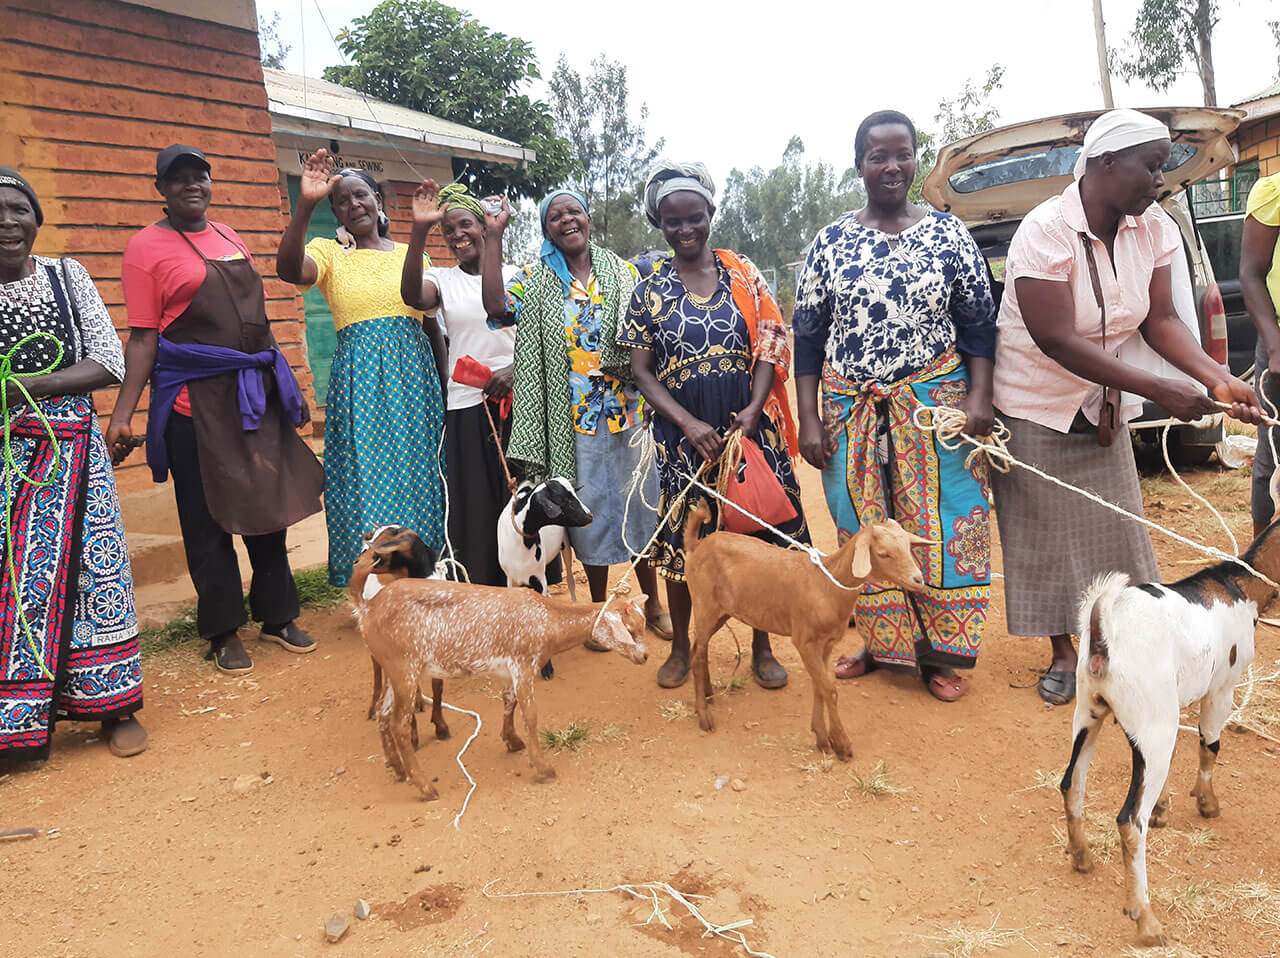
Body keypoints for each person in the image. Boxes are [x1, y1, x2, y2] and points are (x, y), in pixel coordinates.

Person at [989, 109, 1261, 705]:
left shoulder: (1155, 226)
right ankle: (1066, 653)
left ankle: (1115, 645)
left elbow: (1161, 318)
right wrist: (1162, 389)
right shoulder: (1044, 231)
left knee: (1116, 530)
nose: (1159, 181)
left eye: (1162, 168)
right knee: (1044, 535)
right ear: (1105, 164)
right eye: (1151, 166)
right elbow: (1057, 339)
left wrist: (1216, 379)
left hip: (1102, 400)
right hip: (1034, 402)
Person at [793, 111, 997, 703]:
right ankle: (883, 646)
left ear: (915, 158)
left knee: (947, 524)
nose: (891, 166)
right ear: (859, 165)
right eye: (877, 156)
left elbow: (979, 325)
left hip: (936, 406)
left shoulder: (947, 235)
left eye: (902, 154)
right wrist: (809, 417)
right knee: (861, 528)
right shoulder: (830, 242)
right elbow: (807, 336)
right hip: (850, 408)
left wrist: (980, 396)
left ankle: (938, 655)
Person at [111, 145, 324, 675]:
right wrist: (122, 414)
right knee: (206, 520)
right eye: (178, 178)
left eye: (199, 176)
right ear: (161, 189)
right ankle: (223, 630)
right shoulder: (145, 247)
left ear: (210, 183)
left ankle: (277, 616)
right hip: (192, 402)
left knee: (265, 505)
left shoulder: (228, 235)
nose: (191, 185)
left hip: (252, 395)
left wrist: (285, 384)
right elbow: (143, 337)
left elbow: (257, 323)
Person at [621, 160, 808, 689]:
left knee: (759, 542)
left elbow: (770, 341)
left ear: (711, 215)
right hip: (684, 440)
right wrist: (688, 423)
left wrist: (753, 408)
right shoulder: (647, 290)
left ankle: (763, 644)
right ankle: (684, 646)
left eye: (694, 218)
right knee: (688, 546)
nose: (685, 230)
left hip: (748, 431)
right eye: (672, 222)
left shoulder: (743, 274)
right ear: (659, 224)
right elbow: (640, 371)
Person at [480, 189, 671, 641]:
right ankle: (598, 614)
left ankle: (654, 603)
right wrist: (493, 236)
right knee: (587, 515)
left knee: (640, 508)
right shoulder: (536, 279)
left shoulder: (623, 272)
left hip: (631, 413)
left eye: (574, 212)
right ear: (546, 228)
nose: (567, 220)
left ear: (587, 219)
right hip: (572, 421)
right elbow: (495, 308)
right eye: (555, 216)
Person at [0, 166, 145, 759]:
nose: (7, 222)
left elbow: (108, 359)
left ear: (36, 219)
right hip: (8, 458)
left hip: (73, 453)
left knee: (94, 577)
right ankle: (16, 720)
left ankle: (113, 707)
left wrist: (25, 385)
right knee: (14, 585)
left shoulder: (67, 276)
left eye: (17, 209)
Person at [277, 149, 447, 587]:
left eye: (361, 196)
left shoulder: (413, 254)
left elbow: (431, 326)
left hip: (414, 380)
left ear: (378, 199)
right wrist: (306, 203)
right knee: (365, 476)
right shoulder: (330, 254)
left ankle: (423, 574)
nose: (354, 205)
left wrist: (444, 387)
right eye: (342, 201)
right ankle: (374, 580)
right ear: (335, 211)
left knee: (420, 473)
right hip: (361, 383)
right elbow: (288, 269)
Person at [401, 180, 516, 585]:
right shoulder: (442, 280)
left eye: (464, 224)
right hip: (468, 401)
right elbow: (413, 295)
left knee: (517, 494)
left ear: (484, 227)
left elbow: (536, 335)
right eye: (447, 230)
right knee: (476, 501)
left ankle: (526, 586)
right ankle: (484, 587)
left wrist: (514, 370)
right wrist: (419, 229)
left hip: (515, 399)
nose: (456, 235)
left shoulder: (519, 276)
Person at [1241, 168, 1280, 538]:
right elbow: (1251, 274)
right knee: (1273, 452)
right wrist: (1274, 345)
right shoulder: (1274, 191)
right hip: (1279, 340)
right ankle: (1261, 566)